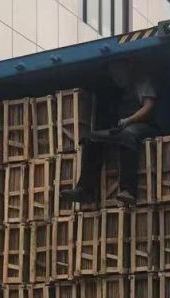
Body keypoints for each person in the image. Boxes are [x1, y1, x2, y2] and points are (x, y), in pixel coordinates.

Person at [60, 61, 159, 206]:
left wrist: (129, 120)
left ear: (127, 68)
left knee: (127, 135)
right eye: (113, 75)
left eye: (118, 73)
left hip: (145, 126)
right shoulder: (117, 89)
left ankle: (128, 190)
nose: (116, 78)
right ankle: (86, 190)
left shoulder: (141, 80)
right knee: (92, 138)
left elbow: (148, 106)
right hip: (123, 127)